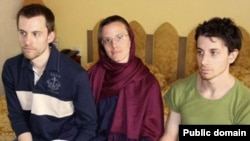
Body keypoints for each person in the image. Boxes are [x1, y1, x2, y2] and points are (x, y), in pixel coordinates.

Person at [2, 4, 97, 141]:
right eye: (23, 33)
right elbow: (17, 116)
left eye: (36, 34)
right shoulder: (11, 69)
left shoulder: (76, 75)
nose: (27, 41)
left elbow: (89, 126)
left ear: (50, 36)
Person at [159, 17, 250, 141]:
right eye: (200, 52)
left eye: (213, 52)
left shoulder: (245, 102)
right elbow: (170, 136)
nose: (204, 61)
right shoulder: (180, 89)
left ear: (232, 56)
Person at [87, 15, 164, 141]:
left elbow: (152, 134)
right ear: (102, 46)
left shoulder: (148, 83)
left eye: (119, 37)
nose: (114, 45)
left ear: (130, 39)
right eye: (107, 40)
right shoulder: (93, 74)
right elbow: (81, 118)